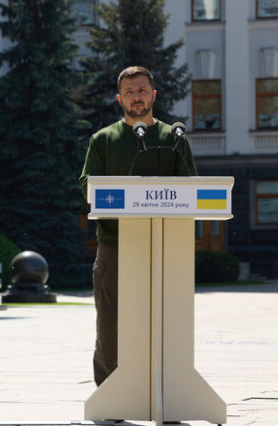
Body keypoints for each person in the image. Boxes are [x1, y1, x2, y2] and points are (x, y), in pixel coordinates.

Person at [79, 66, 197, 386]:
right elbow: (88, 185)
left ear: (153, 95)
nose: (137, 97)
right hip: (115, 245)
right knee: (110, 324)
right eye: (130, 92)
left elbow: (191, 188)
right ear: (120, 99)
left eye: (142, 90)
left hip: (164, 246)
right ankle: (110, 393)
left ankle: (170, 393)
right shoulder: (103, 140)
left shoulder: (174, 138)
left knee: (167, 322)